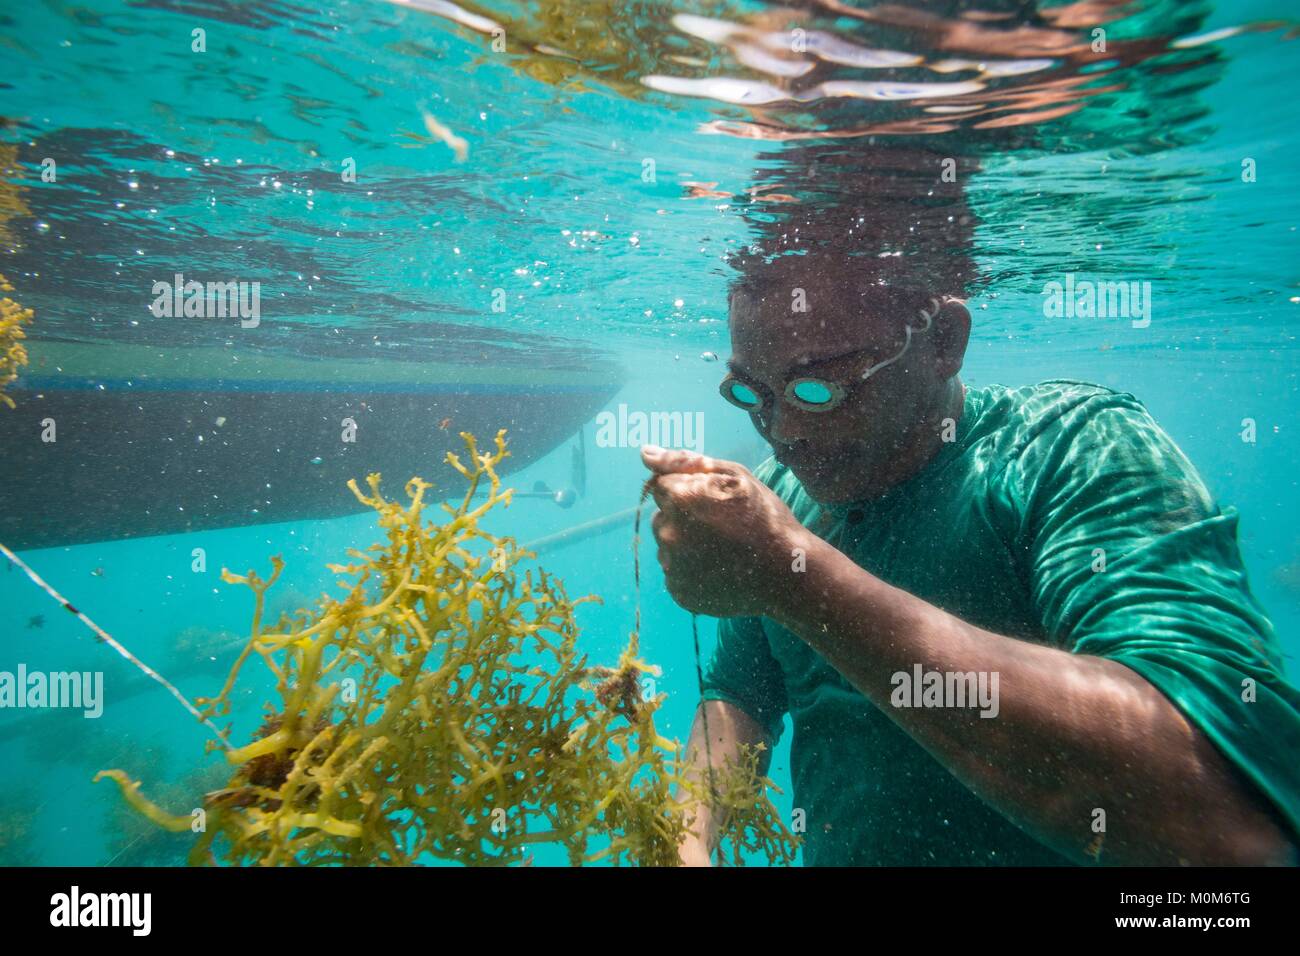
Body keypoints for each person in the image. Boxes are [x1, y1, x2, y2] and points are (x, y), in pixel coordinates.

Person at [642, 248, 1300, 866]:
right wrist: (688, 836)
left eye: (821, 389)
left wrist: (800, 581)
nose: (785, 431)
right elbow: (740, 693)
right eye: (750, 394)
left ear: (942, 342)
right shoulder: (783, 498)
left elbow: (1227, 824)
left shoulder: (1067, 450)